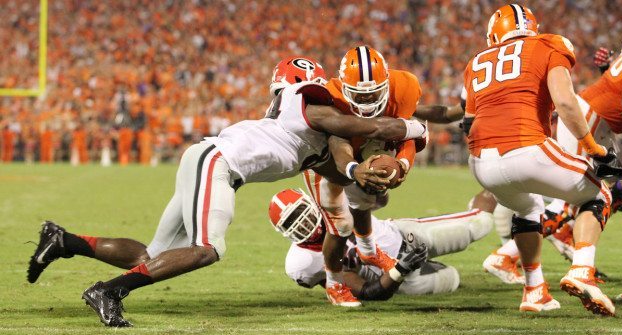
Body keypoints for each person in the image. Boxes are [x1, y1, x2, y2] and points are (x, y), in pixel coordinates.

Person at [27, 56, 429, 327]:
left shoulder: (306, 136)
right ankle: (108, 292)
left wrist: (363, 175)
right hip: (218, 165)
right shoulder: (304, 101)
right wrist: (414, 129)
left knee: (153, 256)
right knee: (208, 249)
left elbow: (335, 169)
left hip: (206, 160)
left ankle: (65, 241)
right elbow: (369, 128)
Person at [464, 4, 615, 315]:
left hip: (480, 161)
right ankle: (583, 271)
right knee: (599, 192)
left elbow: (468, 121)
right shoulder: (548, 43)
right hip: (526, 146)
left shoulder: (476, 61)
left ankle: (534, 291)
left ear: (495, 34)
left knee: (528, 208)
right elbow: (565, 101)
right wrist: (591, 147)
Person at [311, 46, 425, 306]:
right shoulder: (330, 96)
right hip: (324, 160)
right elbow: (338, 144)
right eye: (359, 96)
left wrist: (404, 165)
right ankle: (334, 284)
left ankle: (368, 250)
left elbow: (409, 135)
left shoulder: (405, 86)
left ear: (387, 83)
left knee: (365, 199)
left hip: (363, 148)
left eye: (374, 92)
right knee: (339, 224)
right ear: (343, 88)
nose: (367, 101)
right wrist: (354, 169)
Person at [268, 187, 495, 300]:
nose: (302, 222)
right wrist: (401, 269)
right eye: (292, 221)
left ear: (311, 202)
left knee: (480, 224)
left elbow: (379, 200)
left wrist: (375, 188)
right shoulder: (306, 262)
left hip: (405, 234)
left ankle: (506, 187)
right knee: (452, 278)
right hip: (401, 280)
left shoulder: (333, 200)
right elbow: (368, 291)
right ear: (284, 231)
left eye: (302, 213)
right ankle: (426, 268)